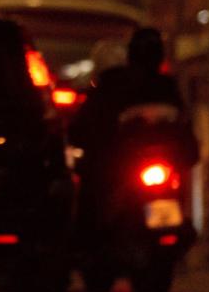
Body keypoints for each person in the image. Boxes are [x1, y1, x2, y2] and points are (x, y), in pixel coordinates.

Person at [71, 28, 196, 239]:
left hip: (133, 176)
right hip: (141, 177)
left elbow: (85, 132)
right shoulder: (165, 87)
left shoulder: (119, 90)